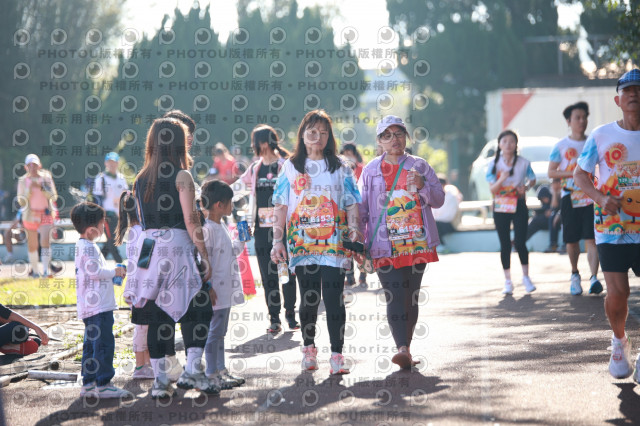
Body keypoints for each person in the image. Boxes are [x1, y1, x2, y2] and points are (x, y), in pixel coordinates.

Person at [127, 118, 217, 398]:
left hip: (148, 250)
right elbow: (191, 220)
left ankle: (160, 381)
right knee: (197, 307)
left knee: (155, 314)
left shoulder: (140, 179)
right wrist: (204, 254)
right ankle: (193, 370)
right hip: (177, 247)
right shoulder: (183, 176)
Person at [271, 109, 361, 375]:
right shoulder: (290, 167)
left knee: (334, 298)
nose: (317, 137)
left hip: (335, 243)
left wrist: (354, 228)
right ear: (302, 134)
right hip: (302, 243)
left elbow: (352, 201)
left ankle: (337, 355)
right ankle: (308, 348)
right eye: (312, 131)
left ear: (329, 136)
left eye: (323, 132)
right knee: (309, 298)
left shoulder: (341, 166)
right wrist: (277, 241)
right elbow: (280, 205)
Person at [358, 115, 444, 369]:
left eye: (398, 134)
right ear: (379, 141)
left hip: (416, 243)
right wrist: (359, 239)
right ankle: (402, 348)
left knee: (411, 295)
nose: (393, 140)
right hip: (384, 244)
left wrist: (422, 185)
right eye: (387, 135)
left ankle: (406, 347)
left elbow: (439, 199)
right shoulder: (371, 170)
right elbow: (362, 209)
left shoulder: (420, 165)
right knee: (394, 294)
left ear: (406, 137)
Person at [574, 68, 640, 380]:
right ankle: (619, 341)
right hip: (613, 228)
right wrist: (601, 198)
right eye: (628, 91)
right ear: (618, 100)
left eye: (638, 89)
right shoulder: (601, 135)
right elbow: (580, 175)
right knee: (618, 293)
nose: (634, 95)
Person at [236, 124, 298, 334]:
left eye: (255, 142)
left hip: (284, 230)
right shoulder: (255, 168)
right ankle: (274, 318)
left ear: (263, 143)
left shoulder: (284, 166)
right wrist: (212, 193)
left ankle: (290, 314)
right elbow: (238, 188)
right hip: (262, 232)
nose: (253, 146)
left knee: (287, 272)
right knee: (267, 275)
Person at [70, 202, 129, 398]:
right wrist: (115, 271)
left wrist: (111, 274)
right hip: (98, 308)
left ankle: (89, 384)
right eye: (102, 224)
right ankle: (103, 384)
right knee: (103, 344)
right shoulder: (88, 248)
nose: (105, 227)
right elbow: (95, 272)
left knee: (90, 345)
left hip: (90, 307)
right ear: (90, 229)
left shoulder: (84, 245)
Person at [548, 101, 602, 296]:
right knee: (571, 240)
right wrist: (575, 173)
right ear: (568, 121)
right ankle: (575, 275)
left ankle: (594, 277)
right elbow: (551, 172)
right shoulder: (561, 145)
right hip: (569, 197)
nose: (582, 121)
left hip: (590, 197)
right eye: (577, 118)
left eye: (584, 117)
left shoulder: (593, 142)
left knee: (592, 238)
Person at [200, 180, 247, 389]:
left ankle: (221, 370)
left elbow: (232, 251)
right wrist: (208, 286)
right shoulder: (208, 230)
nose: (232, 206)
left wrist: (242, 239)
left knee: (220, 332)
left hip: (225, 289)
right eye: (230, 202)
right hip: (216, 291)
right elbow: (204, 261)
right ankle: (212, 373)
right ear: (219, 205)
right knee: (215, 333)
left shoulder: (220, 226)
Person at [486, 129, 537, 295]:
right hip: (501, 206)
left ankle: (526, 277)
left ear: (516, 144)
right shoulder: (493, 164)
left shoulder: (524, 163)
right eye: (505, 141)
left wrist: (526, 187)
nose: (508, 144)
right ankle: (508, 281)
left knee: (520, 242)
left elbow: (532, 179)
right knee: (505, 244)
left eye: (512, 141)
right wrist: (502, 178)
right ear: (499, 144)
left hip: (519, 204)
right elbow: (492, 189)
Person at [114, 191, 152, 379]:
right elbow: (145, 261)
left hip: (137, 285)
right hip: (141, 286)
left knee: (146, 326)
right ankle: (140, 366)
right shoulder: (141, 232)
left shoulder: (134, 231)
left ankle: (147, 364)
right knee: (143, 327)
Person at [16, 154, 60, 277]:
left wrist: (41, 188)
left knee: (45, 242)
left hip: (45, 214)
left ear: (39, 165)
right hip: (30, 216)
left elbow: (53, 196)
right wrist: (29, 189)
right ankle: (35, 272)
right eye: (29, 165)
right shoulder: (23, 180)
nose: (32, 167)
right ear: (26, 167)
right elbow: (21, 201)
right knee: (32, 244)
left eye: (34, 165)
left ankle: (46, 271)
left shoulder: (46, 177)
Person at [340, 143, 368, 286]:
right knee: (347, 245)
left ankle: (363, 274)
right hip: (343, 214)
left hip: (360, 212)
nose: (348, 156)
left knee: (359, 244)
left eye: (350, 153)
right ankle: (350, 276)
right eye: (345, 153)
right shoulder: (339, 168)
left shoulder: (362, 169)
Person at [93, 152, 128, 263]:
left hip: (119, 213)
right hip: (107, 214)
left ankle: (97, 261)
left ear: (118, 163)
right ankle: (120, 263)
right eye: (109, 162)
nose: (111, 165)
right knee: (112, 239)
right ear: (105, 163)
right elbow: (97, 198)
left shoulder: (121, 178)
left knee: (110, 239)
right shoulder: (101, 178)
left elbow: (125, 195)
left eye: (114, 162)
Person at [432, 173, 462, 249]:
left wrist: (434, 219)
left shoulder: (451, 196)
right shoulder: (434, 195)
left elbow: (449, 217)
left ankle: (441, 245)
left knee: (435, 225)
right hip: (439, 222)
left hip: (451, 224)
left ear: (444, 185)